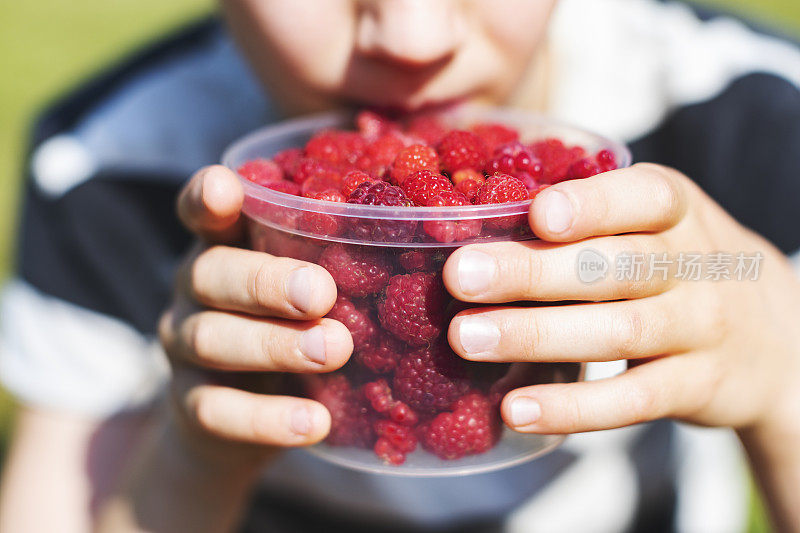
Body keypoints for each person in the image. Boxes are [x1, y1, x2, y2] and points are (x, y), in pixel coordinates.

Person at [1, 0, 799, 531]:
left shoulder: (748, 112)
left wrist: (782, 370)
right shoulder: (104, 168)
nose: (416, 40)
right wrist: (191, 456)